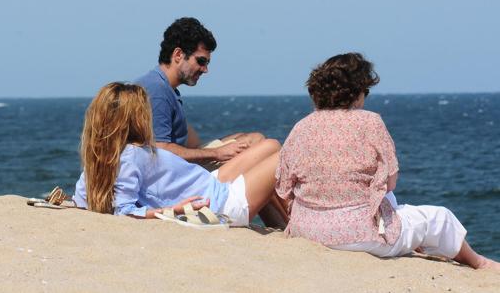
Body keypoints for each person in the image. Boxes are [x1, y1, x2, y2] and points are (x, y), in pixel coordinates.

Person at [276, 53, 500, 270]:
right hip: (358, 235)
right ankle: (478, 262)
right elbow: (390, 182)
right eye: (365, 90)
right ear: (356, 92)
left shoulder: (301, 127)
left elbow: (284, 187)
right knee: (439, 218)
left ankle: (416, 242)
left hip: (306, 231)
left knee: (387, 199)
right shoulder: (370, 122)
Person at [135, 17, 288, 227]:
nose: (205, 69)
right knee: (269, 149)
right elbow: (160, 150)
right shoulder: (157, 92)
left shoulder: (162, 86)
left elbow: (185, 142)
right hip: (175, 180)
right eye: (201, 61)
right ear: (178, 55)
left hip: (176, 170)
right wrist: (217, 154)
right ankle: (287, 222)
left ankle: (284, 223)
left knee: (254, 140)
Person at [71, 82, 281, 227]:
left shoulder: (101, 155)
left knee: (270, 145)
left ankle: (287, 224)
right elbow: (124, 212)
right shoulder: (131, 155)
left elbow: (81, 199)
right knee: (281, 155)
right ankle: (296, 226)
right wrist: (175, 209)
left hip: (208, 184)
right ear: (135, 119)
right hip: (221, 204)